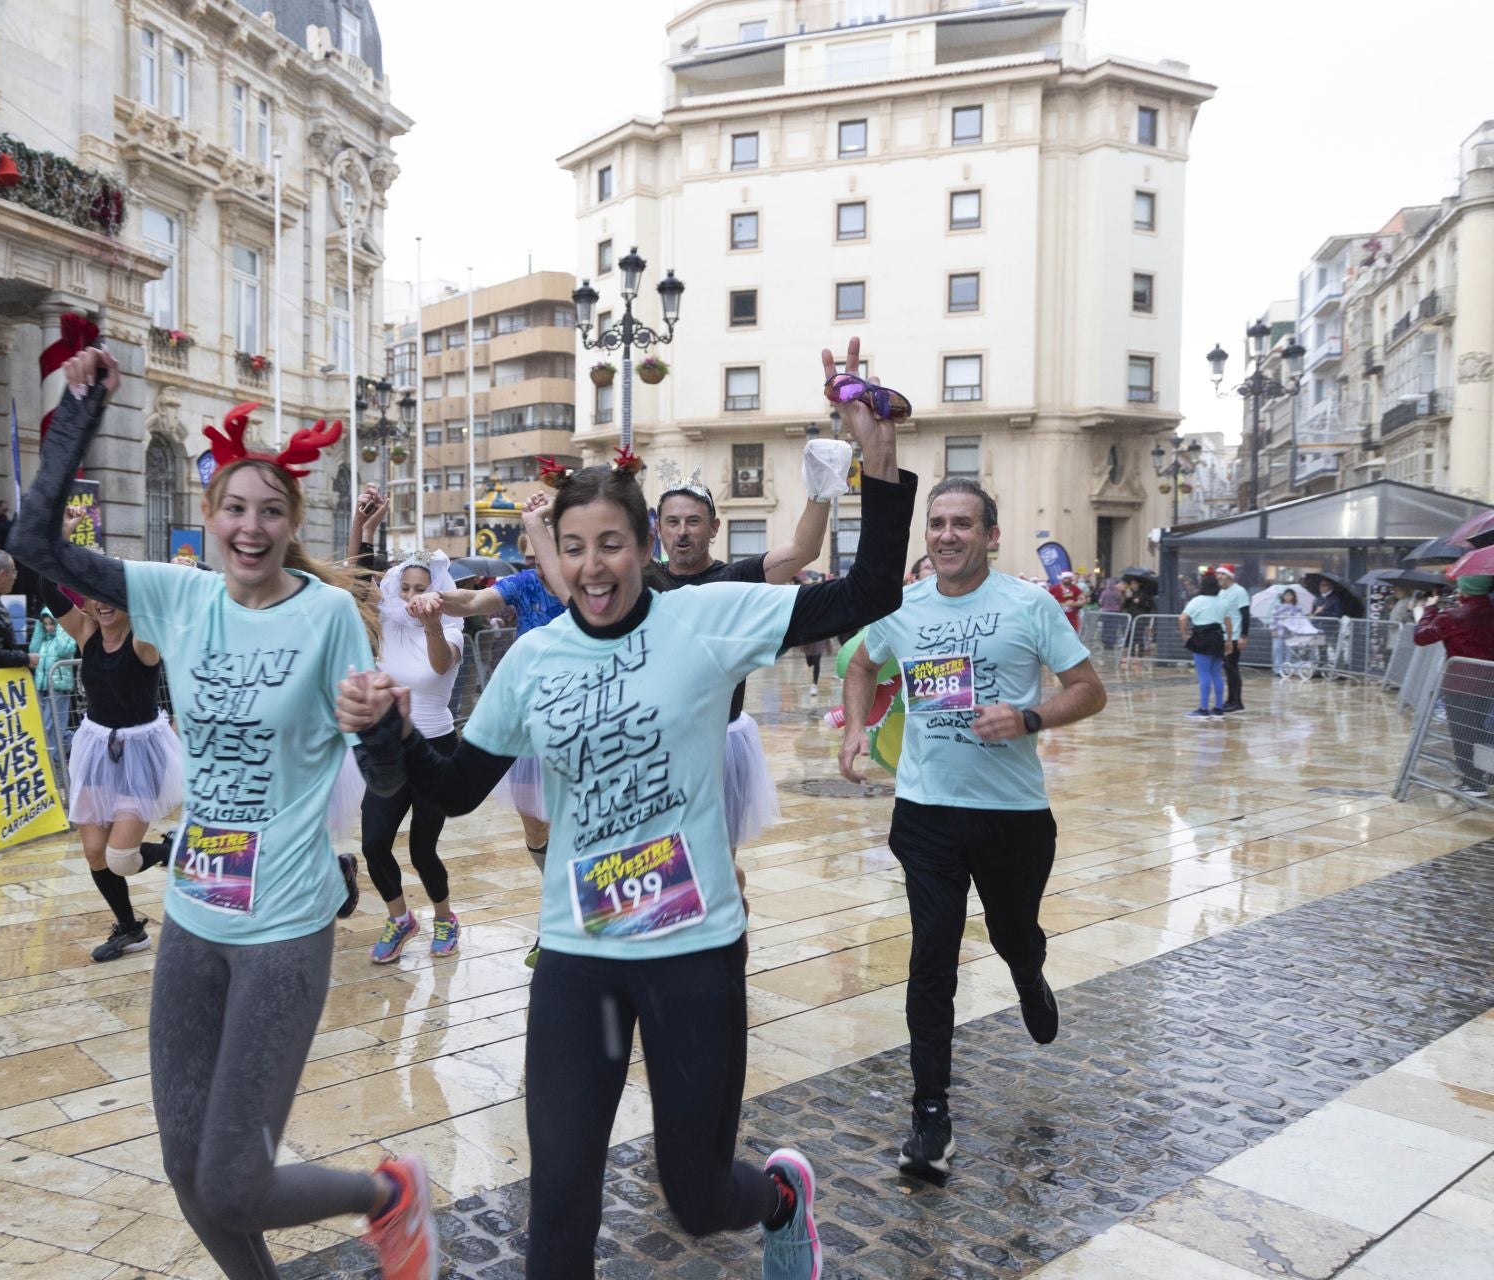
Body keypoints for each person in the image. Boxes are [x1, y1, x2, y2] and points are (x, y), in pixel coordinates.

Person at [343, 335, 914, 1279]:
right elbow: (452, 790)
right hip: (579, 959)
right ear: (556, 560)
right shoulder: (533, 661)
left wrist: (877, 467)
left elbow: (869, 590)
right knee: (558, 1213)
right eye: (575, 550)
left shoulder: (710, 616)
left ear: (645, 547)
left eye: (612, 544)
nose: (594, 566)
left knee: (694, 1197)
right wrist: (387, 735)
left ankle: (778, 1197)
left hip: (692, 955)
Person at [11, 351, 437, 1279]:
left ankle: (389, 1195)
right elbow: (36, 541)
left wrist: (375, 735)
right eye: (235, 508)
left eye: (271, 511)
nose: (251, 527)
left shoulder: (326, 616)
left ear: (292, 525)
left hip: (285, 921)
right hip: (196, 920)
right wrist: (79, 412)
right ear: (208, 518)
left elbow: (389, 785)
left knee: (237, 1179)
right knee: (184, 1165)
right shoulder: (180, 594)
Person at [837, 476, 1106, 1183]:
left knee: (1014, 931)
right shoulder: (902, 606)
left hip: (1013, 817)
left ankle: (1028, 971)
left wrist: (1030, 718)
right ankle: (930, 1114)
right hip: (926, 815)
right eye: (937, 524)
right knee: (931, 957)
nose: (947, 535)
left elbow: (1089, 689)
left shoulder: (1030, 604)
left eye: (962, 524)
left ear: (990, 535)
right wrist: (857, 731)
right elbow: (862, 663)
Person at [643, 436, 853, 859]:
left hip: (718, 740)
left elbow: (803, 550)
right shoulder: (640, 578)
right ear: (659, 529)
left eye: (694, 521)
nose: (682, 532)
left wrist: (819, 491)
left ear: (714, 528)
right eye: (672, 522)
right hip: (651, 743)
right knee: (656, 864)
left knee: (718, 863)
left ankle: (728, 921)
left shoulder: (739, 576)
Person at [408, 498, 568, 964]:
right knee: (536, 825)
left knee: (570, 824)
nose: (543, 560)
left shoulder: (585, 588)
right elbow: (475, 600)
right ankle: (555, 900)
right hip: (528, 724)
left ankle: (559, 920)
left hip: (576, 721)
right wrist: (438, 599)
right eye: (538, 551)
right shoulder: (525, 584)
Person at [40, 545, 184, 963]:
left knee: (121, 858)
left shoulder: (142, 639)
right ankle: (129, 929)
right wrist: (60, 543)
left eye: (110, 594)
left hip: (141, 753)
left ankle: (174, 851)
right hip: (96, 748)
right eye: (92, 593)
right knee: (94, 852)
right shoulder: (86, 633)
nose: (100, 603)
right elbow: (47, 587)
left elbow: (161, 606)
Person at [362, 550, 465, 963]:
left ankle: (444, 917)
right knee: (374, 843)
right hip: (390, 743)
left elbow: (440, 668)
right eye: (404, 588)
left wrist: (433, 624)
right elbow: (356, 582)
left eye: (420, 589)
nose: (410, 597)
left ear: (437, 591)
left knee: (423, 848)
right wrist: (363, 529)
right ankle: (400, 918)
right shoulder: (387, 621)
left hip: (436, 747)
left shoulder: (452, 627)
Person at [1413, 574, 1494, 799]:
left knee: (1463, 733)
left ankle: (1473, 783)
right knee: (1482, 732)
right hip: (1490, 682)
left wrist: (1430, 610)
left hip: (1462, 684)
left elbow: (1421, 637)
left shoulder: (1453, 616)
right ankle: (1485, 774)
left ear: (1463, 590)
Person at [1179, 572, 1238, 718]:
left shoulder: (1197, 600)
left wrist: (1184, 634)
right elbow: (1228, 622)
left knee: (1203, 673)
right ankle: (1218, 708)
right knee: (1216, 674)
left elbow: (1182, 618)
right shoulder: (1223, 601)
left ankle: (1203, 708)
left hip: (1201, 636)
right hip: (1218, 635)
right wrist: (1229, 640)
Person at [30, 606, 79, 753]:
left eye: (52, 623)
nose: (49, 627)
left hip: (58, 687)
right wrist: (39, 628)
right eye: (45, 624)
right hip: (43, 687)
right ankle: (76, 746)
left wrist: (61, 627)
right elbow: (33, 650)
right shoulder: (44, 641)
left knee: (50, 725)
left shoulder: (65, 636)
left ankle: (52, 758)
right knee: (56, 727)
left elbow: (65, 650)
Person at [1216, 565, 1252, 713]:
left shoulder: (1239, 591)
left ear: (1229, 576)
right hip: (1223, 635)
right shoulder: (1220, 592)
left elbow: (1245, 615)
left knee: (1232, 668)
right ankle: (1230, 699)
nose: (1219, 577)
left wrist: (1243, 635)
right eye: (1217, 575)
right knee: (1228, 669)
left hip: (1235, 636)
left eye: (1221, 575)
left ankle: (1236, 701)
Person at [1098, 576, 1125, 651]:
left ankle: (1106, 643)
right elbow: (1121, 601)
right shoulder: (1117, 592)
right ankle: (1111, 643)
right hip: (1115, 612)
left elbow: (1100, 602)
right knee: (1113, 628)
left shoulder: (1104, 592)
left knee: (1106, 628)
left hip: (1106, 612)